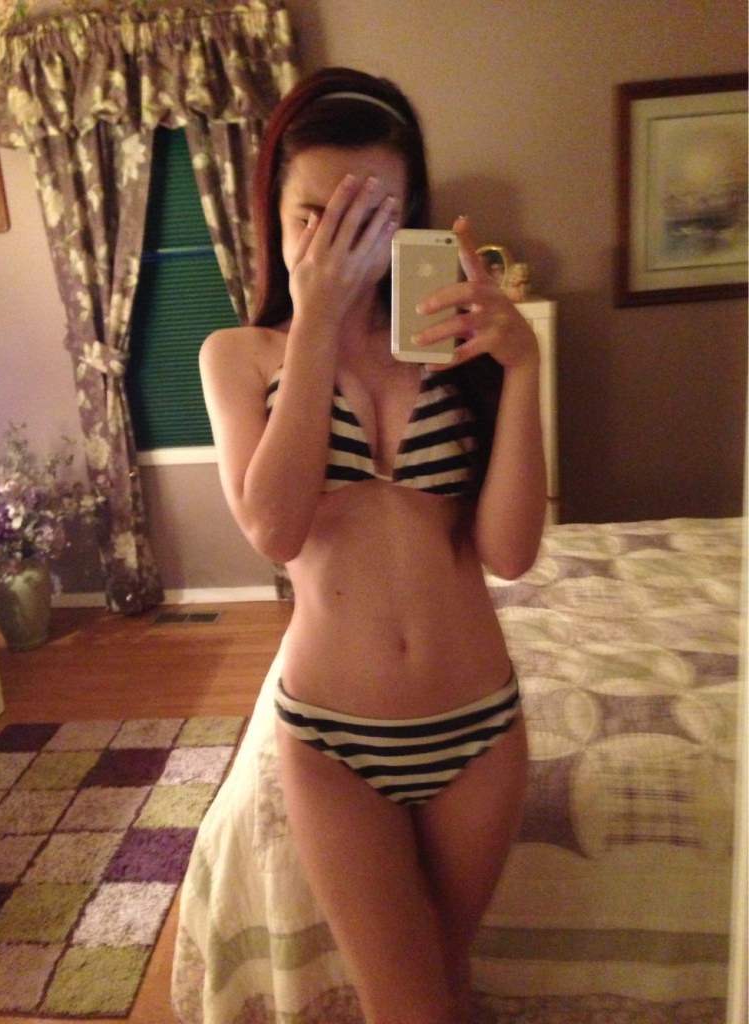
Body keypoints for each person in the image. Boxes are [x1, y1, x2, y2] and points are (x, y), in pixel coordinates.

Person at [199, 66, 546, 1024]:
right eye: (316, 215)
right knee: (412, 1005)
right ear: (271, 214)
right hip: (333, 743)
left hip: (479, 732)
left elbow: (511, 553)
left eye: (372, 217)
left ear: (412, 217)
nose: (343, 243)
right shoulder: (239, 357)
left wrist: (523, 368)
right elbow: (274, 530)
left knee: (443, 982)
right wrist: (316, 322)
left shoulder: (456, 343)